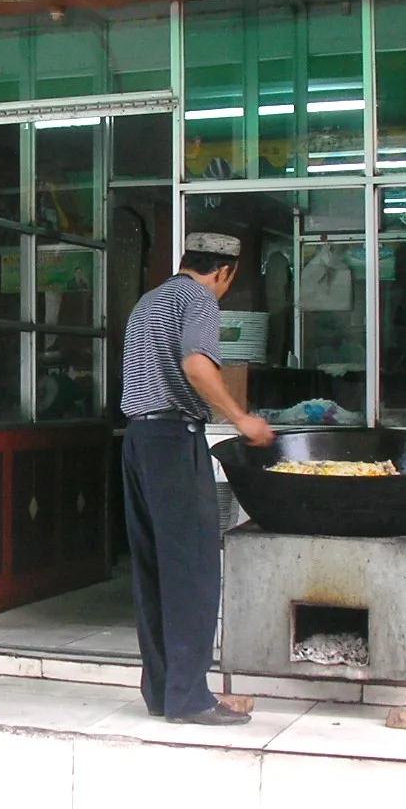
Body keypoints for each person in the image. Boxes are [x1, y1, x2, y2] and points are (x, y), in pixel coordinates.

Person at [120, 232, 275, 726]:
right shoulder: (200, 299)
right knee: (193, 570)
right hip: (172, 440)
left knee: (155, 570)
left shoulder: (150, 301)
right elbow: (195, 365)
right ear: (224, 272)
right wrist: (240, 417)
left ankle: (164, 690)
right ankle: (189, 699)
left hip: (137, 440)